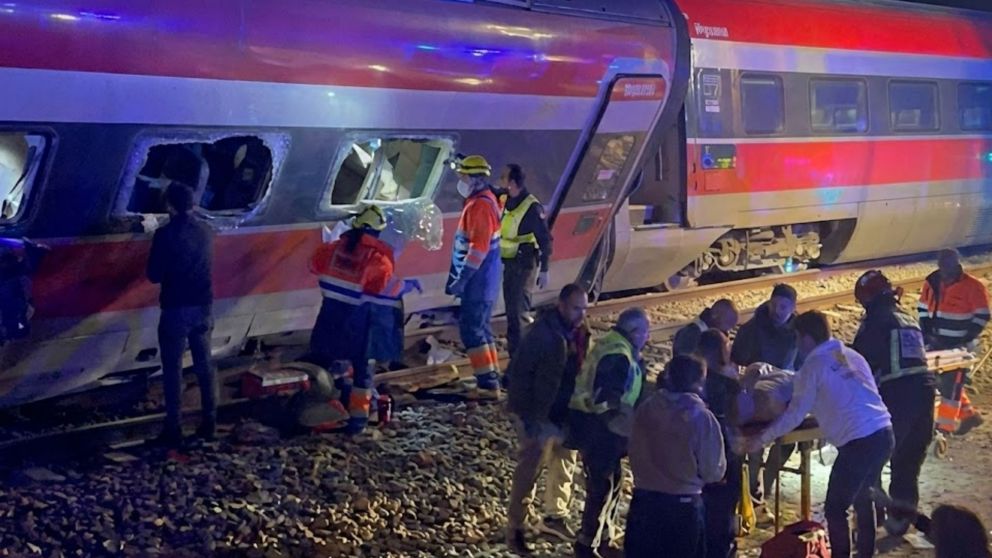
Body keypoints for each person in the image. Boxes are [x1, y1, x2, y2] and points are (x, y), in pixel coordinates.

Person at [739, 311, 894, 558]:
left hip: (859, 441)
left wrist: (762, 438)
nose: (798, 345)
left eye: (799, 338)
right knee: (864, 497)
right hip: (883, 432)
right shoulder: (852, 356)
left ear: (807, 338)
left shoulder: (813, 365)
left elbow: (794, 414)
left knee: (836, 508)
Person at [308, 204, 419, 434]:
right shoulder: (378, 259)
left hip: (329, 317)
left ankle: (321, 411)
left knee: (328, 365)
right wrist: (407, 286)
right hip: (358, 322)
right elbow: (383, 288)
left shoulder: (330, 249)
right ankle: (357, 422)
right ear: (378, 232)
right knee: (363, 372)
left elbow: (314, 266)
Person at [505, 284, 590, 555]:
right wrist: (527, 415)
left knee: (565, 462)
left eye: (584, 308)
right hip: (540, 414)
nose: (581, 314)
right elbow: (519, 375)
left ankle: (555, 516)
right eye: (577, 308)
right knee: (530, 470)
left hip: (563, 411)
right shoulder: (542, 335)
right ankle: (516, 527)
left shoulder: (577, 333)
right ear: (561, 305)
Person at [852, 269, 936, 536]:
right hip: (925, 394)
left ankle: (871, 516)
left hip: (899, 397)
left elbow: (858, 362)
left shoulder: (876, 321)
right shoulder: (906, 318)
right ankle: (901, 518)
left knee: (874, 455)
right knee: (908, 460)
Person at [625, 354, 726, 558]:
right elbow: (712, 471)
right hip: (683, 507)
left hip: (644, 503)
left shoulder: (646, 408)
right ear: (700, 381)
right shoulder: (702, 418)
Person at [569, 307, 650, 558]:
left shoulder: (615, 346)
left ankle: (603, 539)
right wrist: (624, 427)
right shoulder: (619, 355)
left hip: (598, 429)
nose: (647, 337)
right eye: (645, 331)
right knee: (601, 486)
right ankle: (587, 545)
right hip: (601, 432)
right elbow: (605, 400)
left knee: (612, 482)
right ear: (635, 332)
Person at [146, 182, 216, 446]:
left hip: (176, 308)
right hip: (204, 306)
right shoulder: (207, 231)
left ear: (169, 206)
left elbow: (153, 275)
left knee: (173, 369)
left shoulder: (166, 234)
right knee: (205, 366)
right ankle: (209, 423)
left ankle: (173, 429)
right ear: (193, 204)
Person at [731, 284, 799, 511]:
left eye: (784, 306)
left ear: (792, 308)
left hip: (785, 395)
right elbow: (738, 359)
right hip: (758, 397)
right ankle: (753, 487)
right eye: (776, 304)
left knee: (792, 440)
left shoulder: (797, 333)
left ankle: (768, 481)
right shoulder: (752, 329)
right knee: (754, 439)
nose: (779, 310)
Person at [446, 154, 503, 396]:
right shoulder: (486, 199)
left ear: (474, 178)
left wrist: (462, 280)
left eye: (463, 176)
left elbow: (477, 249)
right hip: (486, 279)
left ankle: (488, 386)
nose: (460, 180)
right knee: (482, 327)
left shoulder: (480, 206)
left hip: (478, 280)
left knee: (472, 329)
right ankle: (489, 377)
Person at [919, 248, 990, 436]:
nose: (944, 270)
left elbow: (982, 315)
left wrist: (966, 338)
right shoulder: (932, 283)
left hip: (960, 345)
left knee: (952, 384)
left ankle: (945, 428)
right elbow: (923, 310)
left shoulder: (973, 287)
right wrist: (927, 333)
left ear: (956, 265)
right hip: (938, 342)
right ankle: (969, 416)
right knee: (945, 382)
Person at [695, 330, 743, 558]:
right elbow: (740, 414)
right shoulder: (727, 384)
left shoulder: (692, 379)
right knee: (723, 511)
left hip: (695, 456)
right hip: (723, 454)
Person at [498, 164, 553, 356]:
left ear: (512, 182)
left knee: (518, 314)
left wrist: (545, 269)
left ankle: (521, 360)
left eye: (503, 177)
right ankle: (517, 359)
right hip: (511, 264)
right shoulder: (507, 199)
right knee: (512, 314)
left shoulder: (531, 207)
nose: (500, 181)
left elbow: (545, 239)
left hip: (525, 266)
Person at [869, 492, 992, 558]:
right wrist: (890, 504)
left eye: (935, 529)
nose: (930, 532)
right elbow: (923, 523)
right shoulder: (969, 546)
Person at [672, 298, 739, 356]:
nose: (727, 331)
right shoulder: (691, 335)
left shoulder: (714, 332)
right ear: (715, 315)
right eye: (727, 324)